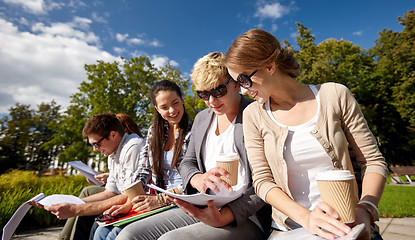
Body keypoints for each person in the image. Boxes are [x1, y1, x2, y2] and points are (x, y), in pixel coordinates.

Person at [224, 28, 388, 240]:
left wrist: (365, 209)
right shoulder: (253, 115)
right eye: (238, 84)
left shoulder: (334, 95)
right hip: (290, 231)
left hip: (347, 226)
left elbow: (373, 161)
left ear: (270, 66)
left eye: (244, 80)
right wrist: (308, 218)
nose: (244, 91)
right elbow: (263, 181)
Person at [116, 52, 271, 240]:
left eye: (219, 90)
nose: (212, 101)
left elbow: (267, 179)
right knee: (129, 235)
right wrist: (197, 178)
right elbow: (187, 162)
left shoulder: (255, 114)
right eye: (204, 94)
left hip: (244, 215)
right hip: (204, 205)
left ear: (235, 83)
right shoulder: (203, 118)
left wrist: (225, 215)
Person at [93, 80, 192, 240]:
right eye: (164, 107)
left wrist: (160, 200)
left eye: (175, 103)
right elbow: (143, 171)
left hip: (180, 199)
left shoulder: (192, 132)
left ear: (182, 100)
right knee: (102, 230)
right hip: (155, 198)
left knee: (118, 234)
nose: (172, 111)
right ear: (157, 109)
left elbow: (192, 181)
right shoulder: (155, 131)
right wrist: (130, 203)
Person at [32, 112, 146, 240]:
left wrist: (76, 209)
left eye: (96, 144)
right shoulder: (112, 152)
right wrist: (68, 202)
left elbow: (130, 195)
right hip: (126, 203)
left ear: (113, 135)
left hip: (139, 204)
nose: (95, 149)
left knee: (98, 230)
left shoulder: (133, 147)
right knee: (94, 226)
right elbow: (110, 193)